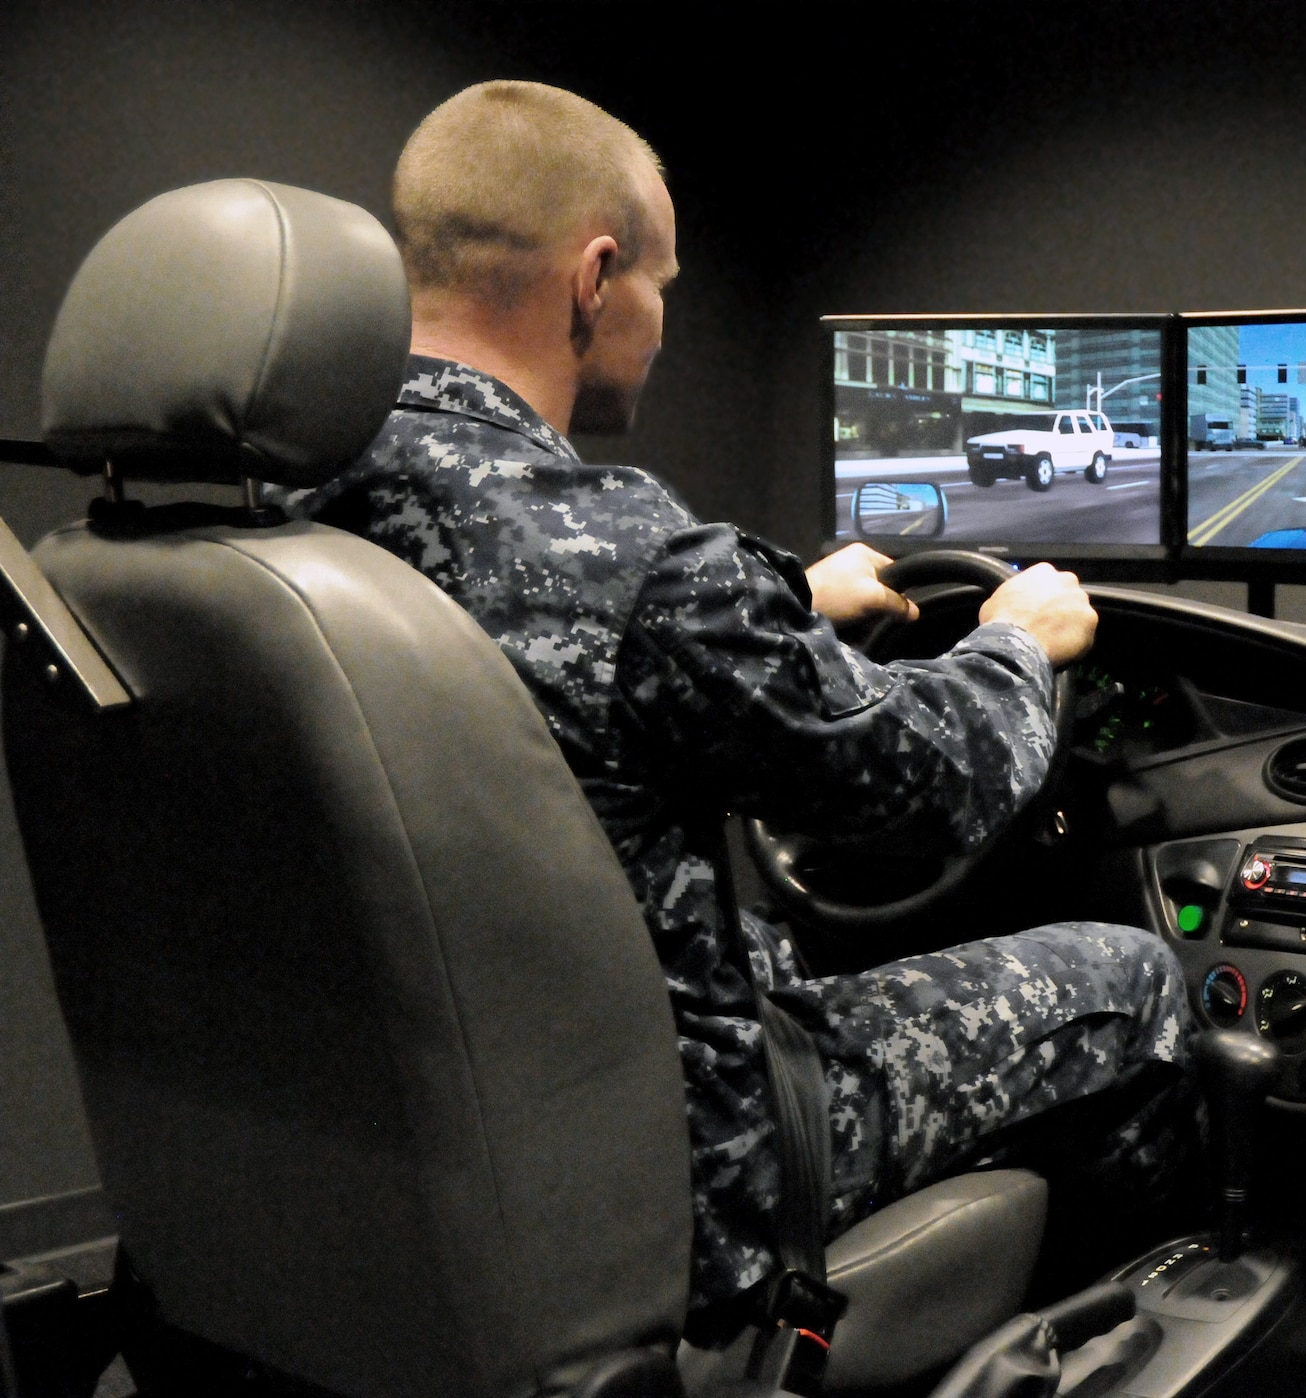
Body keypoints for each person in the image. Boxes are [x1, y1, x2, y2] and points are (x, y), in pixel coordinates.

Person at [291, 80, 1199, 1339]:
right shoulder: (631, 554)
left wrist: (782, 594)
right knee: (1135, 979)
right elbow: (926, 787)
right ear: (594, 278)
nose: (659, 322)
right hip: (689, 1171)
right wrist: (1012, 644)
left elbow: (577, 656)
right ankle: (1075, 1350)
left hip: (393, 1140)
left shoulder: (291, 502)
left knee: (784, 949)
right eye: (660, 284)